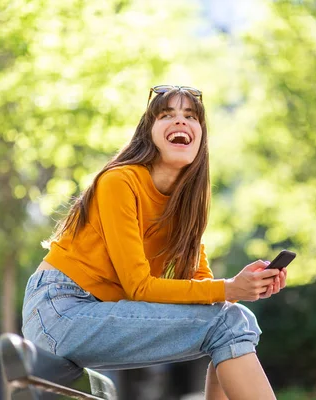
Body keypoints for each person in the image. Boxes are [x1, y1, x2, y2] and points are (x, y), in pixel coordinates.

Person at [21, 85, 288, 400]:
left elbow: (206, 292)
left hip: (97, 313)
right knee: (228, 321)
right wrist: (230, 287)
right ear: (148, 132)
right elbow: (139, 287)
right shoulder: (120, 182)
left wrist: (246, 286)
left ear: (201, 136)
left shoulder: (185, 206)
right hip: (59, 310)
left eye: (190, 116)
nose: (180, 122)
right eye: (167, 115)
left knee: (232, 319)